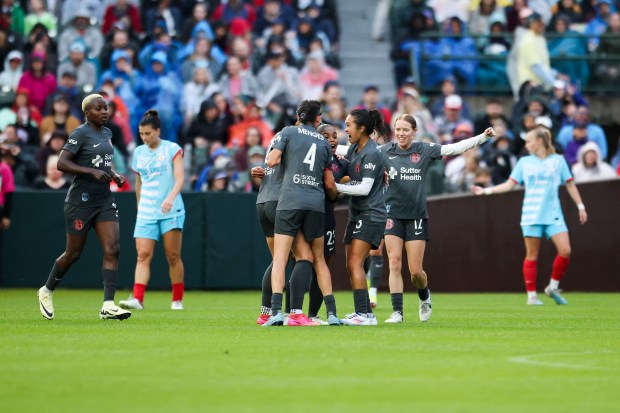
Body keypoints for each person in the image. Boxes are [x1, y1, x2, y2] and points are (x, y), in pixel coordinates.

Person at [381, 114, 495, 323]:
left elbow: (454, 148)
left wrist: (483, 137)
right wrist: (328, 144)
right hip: (392, 214)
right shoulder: (385, 150)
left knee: (416, 272)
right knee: (394, 261)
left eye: (406, 130)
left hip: (416, 215)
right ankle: (397, 312)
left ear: (414, 132)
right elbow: (358, 152)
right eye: (398, 129)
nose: (401, 133)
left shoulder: (424, 150)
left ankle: (424, 295)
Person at [36, 94, 131, 321]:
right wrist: (91, 172)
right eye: (98, 109)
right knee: (73, 253)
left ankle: (108, 305)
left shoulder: (107, 133)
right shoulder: (80, 132)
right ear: (87, 113)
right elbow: (62, 163)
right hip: (81, 201)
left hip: (104, 199)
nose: (104, 112)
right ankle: (46, 291)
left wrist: (114, 174)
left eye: (105, 108)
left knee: (113, 248)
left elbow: (101, 164)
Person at [472, 127, 588, 305]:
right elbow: (509, 185)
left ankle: (553, 287)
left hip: (553, 214)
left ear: (539, 141)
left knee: (565, 250)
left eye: (529, 141)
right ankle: (532, 296)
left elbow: (570, 184)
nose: (526, 145)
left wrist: (580, 206)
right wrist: (485, 190)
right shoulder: (524, 162)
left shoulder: (558, 161)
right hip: (531, 214)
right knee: (532, 255)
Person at [263, 99, 341, 326]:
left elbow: (272, 160)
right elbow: (329, 183)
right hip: (315, 204)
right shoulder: (325, 144)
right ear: (318, 119)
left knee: (280, 258)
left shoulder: (288, 131)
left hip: (290, 202)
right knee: (319, 260)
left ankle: (277, 312)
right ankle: (333, 313)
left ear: (299, 117)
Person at [119, 110, 186, 311]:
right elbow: (139, 183)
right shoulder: (138, 152)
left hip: (171, 210)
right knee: (142, 255)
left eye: (148, 133)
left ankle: (177, 300)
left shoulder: (172, 149)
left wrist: (170, 198)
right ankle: (138, 298)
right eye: (141, 134)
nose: (145, 138)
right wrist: (140, 208)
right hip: (147, 212)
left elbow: (180, 178)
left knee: (172, 256)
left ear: (158, 130)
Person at [335, 109, 390, 326]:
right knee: (352, 264)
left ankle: (364, 315)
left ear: (362, 128)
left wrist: (334, 186)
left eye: (348, 125)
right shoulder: (353, 148)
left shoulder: (373, 152)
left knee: (355, 262)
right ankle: (366, 312)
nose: (345, 129)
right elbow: (338, 152)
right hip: (357, 213)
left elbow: (365, 188)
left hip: (371, 213)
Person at [306, 123, 349, 324]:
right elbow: (331, 187)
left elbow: (354, 177)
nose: (332, 139)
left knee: (321, 265)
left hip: (328, 218)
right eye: (326, 135)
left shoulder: (342, 163)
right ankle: (291, 311)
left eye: (334, 136)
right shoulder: (310, 160)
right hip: (308, 214)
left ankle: (312, 315)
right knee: (302, 264)